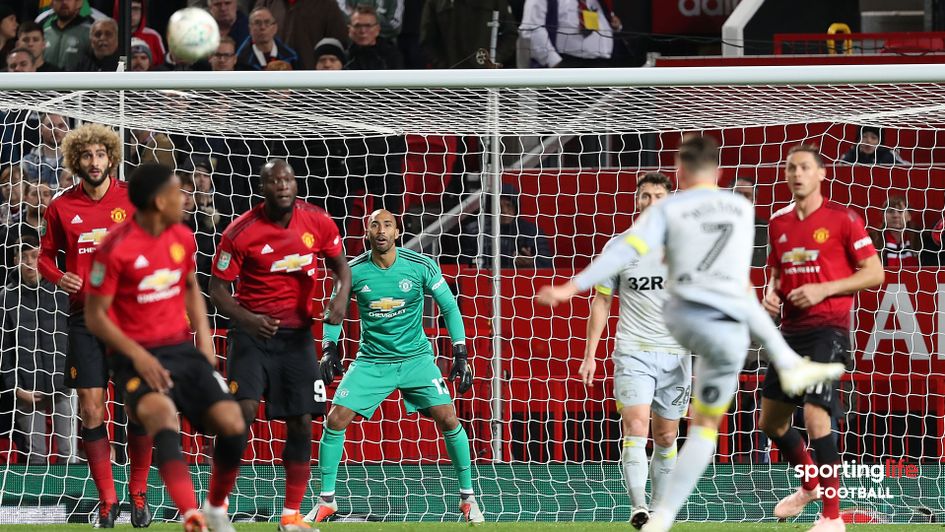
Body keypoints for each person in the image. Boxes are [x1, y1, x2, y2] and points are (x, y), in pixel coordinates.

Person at [536, 135, 845, 532]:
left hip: (687, 335)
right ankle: (652, 510)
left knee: (681, 433)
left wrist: (569, 287)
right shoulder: (737, 209)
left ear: (679, 174)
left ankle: (662, 514)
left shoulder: (674, 212)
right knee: (693, 428)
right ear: (719, 172)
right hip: (714, 334)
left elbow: (627, 249)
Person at [85, 163, 246, 532]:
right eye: (178, 192)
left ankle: (215, 508)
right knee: (162, 418)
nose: (184, 198)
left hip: (181, 349)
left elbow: (190, 286)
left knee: (234, 424)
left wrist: (205, 342)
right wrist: (138, 356)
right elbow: (95, 317)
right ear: (159, 201)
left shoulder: (182, 236)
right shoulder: (113, 248)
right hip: (134, 355)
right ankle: (192, 516)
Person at [304, 209, 484, 525]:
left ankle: (468, 499)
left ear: (397, 232)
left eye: (387, 225)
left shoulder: (420, 265)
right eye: (375, 225)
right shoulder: (353, 270)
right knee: (335, 419)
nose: (381, 230)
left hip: (416, 360)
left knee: (448, 417)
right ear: (368, 233)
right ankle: (326, 502)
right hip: (372, 361)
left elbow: (449, 307)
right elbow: (334, 311)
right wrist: (329, 349)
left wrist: (460, 352)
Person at [208, 159, 351, 530]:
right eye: (274, 181)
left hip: (297, 338)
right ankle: (216, 507)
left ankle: (291, 516)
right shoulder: (240, 231)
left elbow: (341, 268)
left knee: (302, 422)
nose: (282, 185)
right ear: (263, 188)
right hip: (251, 336)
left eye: (287, 179)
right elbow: (217, 288)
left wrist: (340, 297)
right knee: (240, 418)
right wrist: (248, 319)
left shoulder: (318, 221)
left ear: (295, 184)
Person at [759, 145, 885, 532]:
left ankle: (832, 517)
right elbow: (777, 273)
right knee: (772, 424)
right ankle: (810, 485)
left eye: (805, 167)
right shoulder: (778, 223)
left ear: (821, 173)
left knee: (816, 415)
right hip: (790, 332)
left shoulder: (843, 219)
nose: (797, 174)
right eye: (791, 168)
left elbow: (875, 273)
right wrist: (771, 293)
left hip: (829, 329)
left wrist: (824, 288)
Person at [37, 123, 152, 528]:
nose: (94, 161)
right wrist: (58, 276)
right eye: (86, 155)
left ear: (111, 157)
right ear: (76, 161)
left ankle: (139, 493)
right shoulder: (60, 206)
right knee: (89, 409)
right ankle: (108, 501)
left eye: (100, 154)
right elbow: (45, 257)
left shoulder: (134, 199)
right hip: (85, 318)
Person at [580, 172, 689, 529]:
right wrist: (590, 355)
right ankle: (639, 506)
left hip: (676, 356)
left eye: (659, 196)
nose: (651, 202)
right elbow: (601, 302)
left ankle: (657, 511)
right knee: (636, 427)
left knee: (666, 436)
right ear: (637, 201)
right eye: (645, 195)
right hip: (632, 354)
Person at [0, 234, 77, 464]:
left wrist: (75, 377)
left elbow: (76, 337)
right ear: (15, 260)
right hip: (27, 388)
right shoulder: (6, 298)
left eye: (34, 256)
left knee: (68, 453)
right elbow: (4, 350)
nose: (29, 262)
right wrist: (15, 389)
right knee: (35, 456)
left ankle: (71, 491)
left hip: (63, 385)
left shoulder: (62, 291)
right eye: (24, 257)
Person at [519, 0, 619, 68]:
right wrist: (553, 61)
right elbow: (531, 28)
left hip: (602, 65)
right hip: (565, 65)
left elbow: (607, 23)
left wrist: (616, 25)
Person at [421, 0, 518, 69]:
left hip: (485, 77)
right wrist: (442, 65)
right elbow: (427, 40)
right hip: (451, 77)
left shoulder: (494, 1)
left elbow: (510, 34)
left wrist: (492, 59)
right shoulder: (436, 2)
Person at [869, 195, 929, 269]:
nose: (895, 215)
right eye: (890, 211)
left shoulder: (922, 238)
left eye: (900, 211)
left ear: (909, 216)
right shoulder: (872, 239)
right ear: (883, 217)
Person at [344, 5, 403, 70]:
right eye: (357, 26)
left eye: (368, 26)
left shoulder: (391, 56)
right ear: (349, 29)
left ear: (377, 29)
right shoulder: (343, 56)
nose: (363, 31)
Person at [43, 0, 93, 71]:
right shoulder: (44, 33)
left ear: (78, 3)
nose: (64, 2)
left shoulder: (91, 33)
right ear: (52, 4)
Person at [730, 176, 768, 268]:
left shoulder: (766, 230)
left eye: (746, 195)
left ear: (754, 200)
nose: (741, 199)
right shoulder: (714, 225)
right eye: (738, 194)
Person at [840, 125, 907, 166]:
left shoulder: (888, 156)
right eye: (864, 137)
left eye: (873, 138)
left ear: (879, 142)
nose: (868, 141)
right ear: (858, 140)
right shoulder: (851, 155)